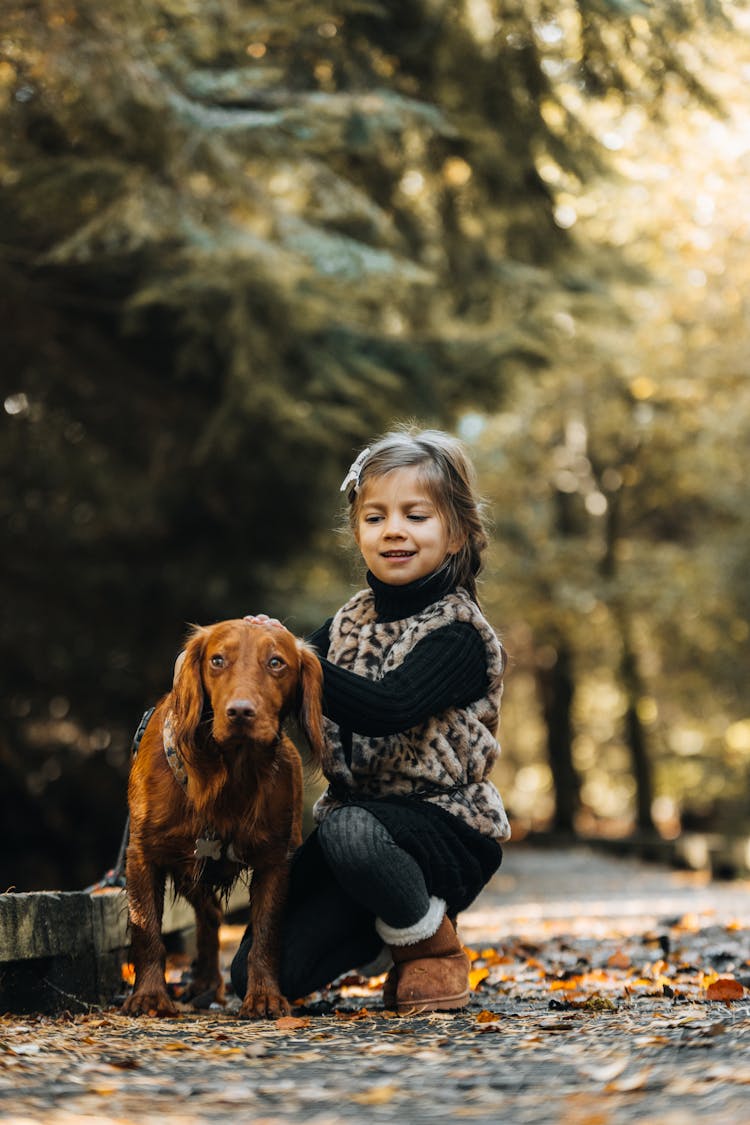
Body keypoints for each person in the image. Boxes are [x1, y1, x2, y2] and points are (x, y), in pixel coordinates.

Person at [231, 426, 511, 1015]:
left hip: (446, 827)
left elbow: (388, 708)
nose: (394, 531)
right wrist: (261, 657)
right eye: (375, 517)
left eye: (416, 515)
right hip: (357, 833)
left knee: (348, 829)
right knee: (257, 974)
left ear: (455, 531)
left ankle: (432, 946)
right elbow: (285, 689)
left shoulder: (458, 633)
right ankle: (387, 917)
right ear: (358, 531)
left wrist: (294, 659)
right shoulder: (348, 621)